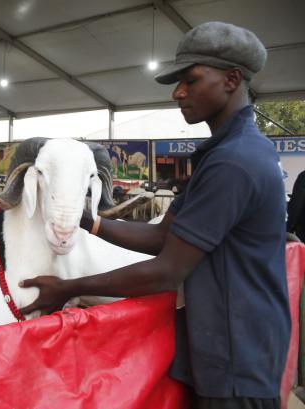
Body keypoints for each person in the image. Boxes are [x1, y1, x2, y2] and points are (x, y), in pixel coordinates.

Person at [20, 22, 289, 409]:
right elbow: (163, 236)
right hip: (230, 344)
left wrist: (68, 287)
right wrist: (85, 220)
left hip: (236, 359)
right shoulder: (224, 152)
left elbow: (167, 269)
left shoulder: (235, 162)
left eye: (191, 80)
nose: (178, 92)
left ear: (231, 80)